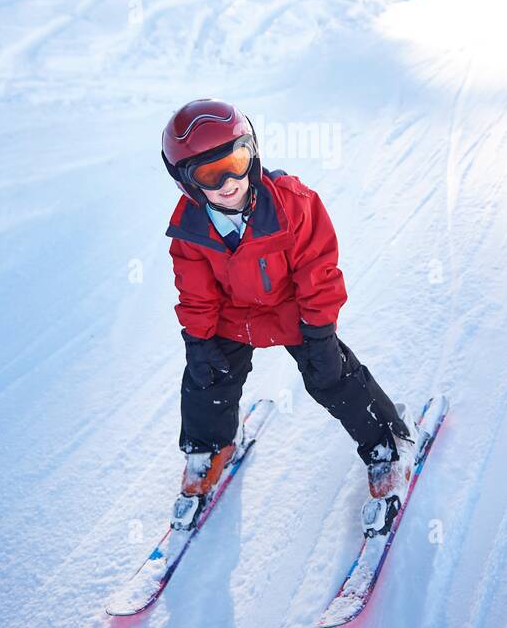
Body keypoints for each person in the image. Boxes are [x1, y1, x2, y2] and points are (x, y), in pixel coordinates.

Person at [161, 98, 413, 537]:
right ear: (185, 181)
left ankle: (386, 445)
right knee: (207, 376)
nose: (228, 182)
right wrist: (198, 341)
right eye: (208, 174)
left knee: (329, 374)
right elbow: (196, 292)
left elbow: (319, 270)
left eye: (236, 162)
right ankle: (209, 447)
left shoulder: (292, 204)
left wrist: (319, 334)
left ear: (252, 152)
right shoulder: (191, 228)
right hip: (233, 317)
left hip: (293, 308)